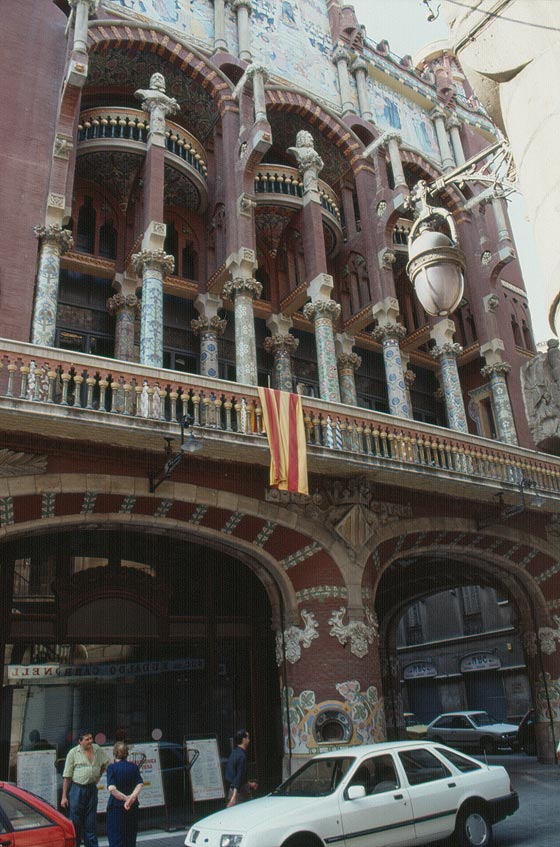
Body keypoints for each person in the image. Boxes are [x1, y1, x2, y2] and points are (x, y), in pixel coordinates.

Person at [61, 730, 109, 847]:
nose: (90, 741)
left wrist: (98, 776)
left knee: (91, 823)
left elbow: (105, 764)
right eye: (87, 739)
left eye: (91, 738)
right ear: (80, 741)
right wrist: (64, 797)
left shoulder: (97, 749)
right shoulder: (73, 753)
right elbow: (67, 776)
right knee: (76, 824)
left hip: (91, 789)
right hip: (77, 790)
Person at [106, 742, 144, 847]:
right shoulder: (134, 767)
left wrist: (125, 798)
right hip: (132, 806)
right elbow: (140, 784)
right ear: (127, 754)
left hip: (116, 807)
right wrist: (131, 798)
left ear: (115, 753)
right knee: (131, 836)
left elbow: (112, 789)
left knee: (116, 837)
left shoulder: (111, 768)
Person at [224, 729, 258, 807]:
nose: (249, 740)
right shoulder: (242, 756)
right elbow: (238, 777)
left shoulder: (234, 753)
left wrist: (250, 784)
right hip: (240, 792)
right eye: (248, 737)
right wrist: (234, 797)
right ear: (244, 739)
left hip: (233, 789)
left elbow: (236, 775)